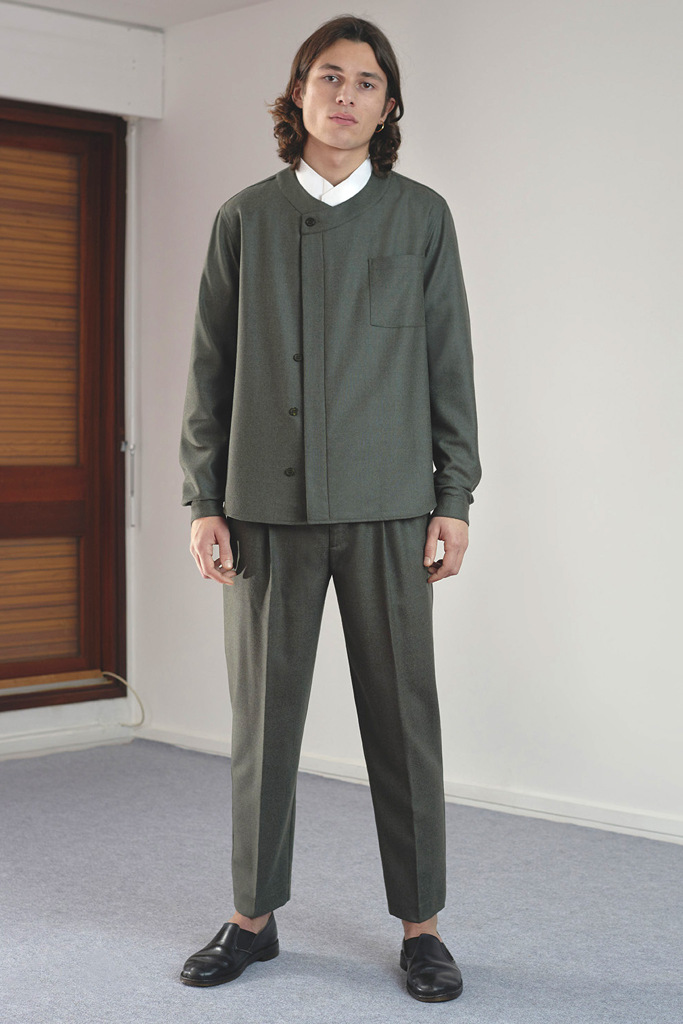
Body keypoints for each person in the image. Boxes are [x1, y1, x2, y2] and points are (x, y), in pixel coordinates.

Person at [178, 15, 481, 1003]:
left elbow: (447, 363)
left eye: (365, 82)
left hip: (391, 508)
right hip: (264, 512)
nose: (345, 94)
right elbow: (210, 370)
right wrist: (202, 497)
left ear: (387, 107)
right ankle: (251, 917)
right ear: (298, 93)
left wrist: (452, 495)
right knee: (263, 726)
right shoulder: (243, 219)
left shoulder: (421, 217)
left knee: (403, 721)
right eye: (328, 77)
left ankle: (421, 929)